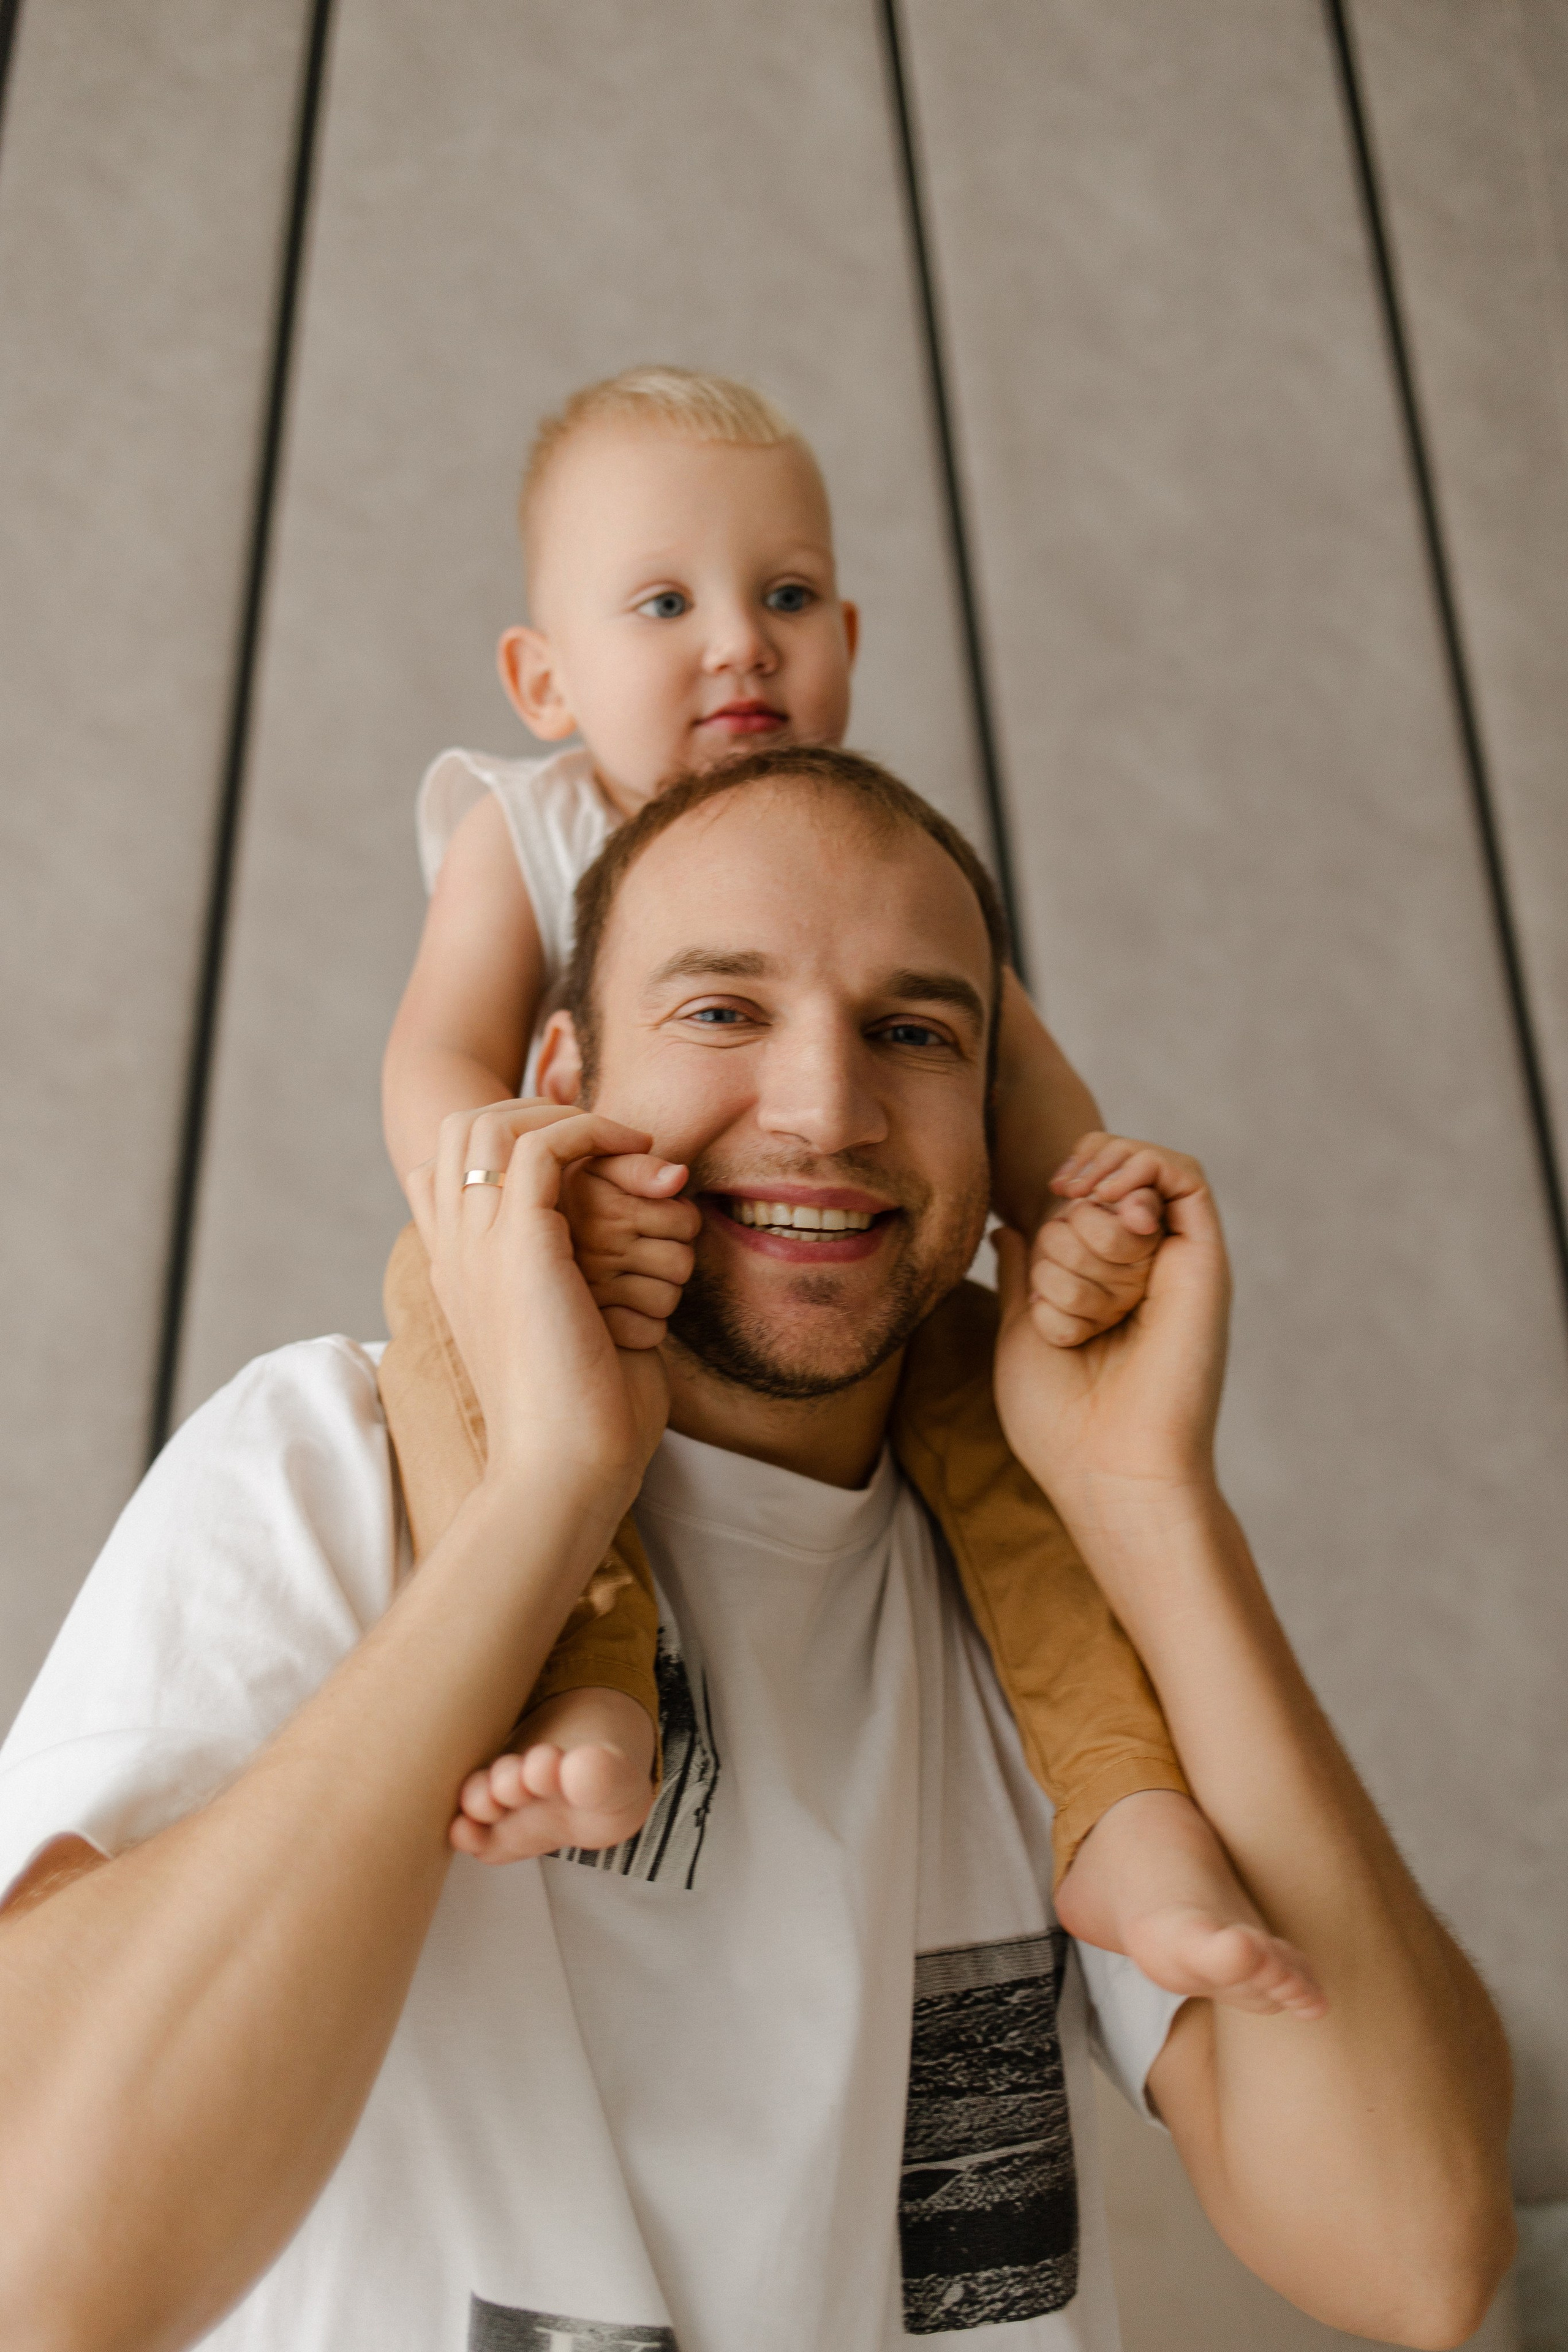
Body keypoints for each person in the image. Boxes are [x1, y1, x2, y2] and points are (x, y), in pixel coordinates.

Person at [0, 748, 1512, 2351]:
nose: (826, 1110)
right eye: (722, 1012)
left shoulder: (1052, 1584)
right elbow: (45, 2274)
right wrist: (549, 1491)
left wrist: (1153, 1501)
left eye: (914, 1034)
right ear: (562, 1071)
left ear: (996, 1128)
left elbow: (1413, 2256)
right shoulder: (322, 1467)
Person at [377, 365, 1300, 2008]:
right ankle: (587, 1682)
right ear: (543, 678)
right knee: (435, 1321)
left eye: (786, 594)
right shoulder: (525, 830)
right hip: (585, 1260)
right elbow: (438, 1060)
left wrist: (1078, 1220)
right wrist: (509, 1191)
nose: (740, 638)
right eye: (666, 602)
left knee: (1016, 1449)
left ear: (851, 648)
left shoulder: (879, 864)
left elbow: (1023, 1092)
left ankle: (1124, 1806)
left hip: (842, 1299)